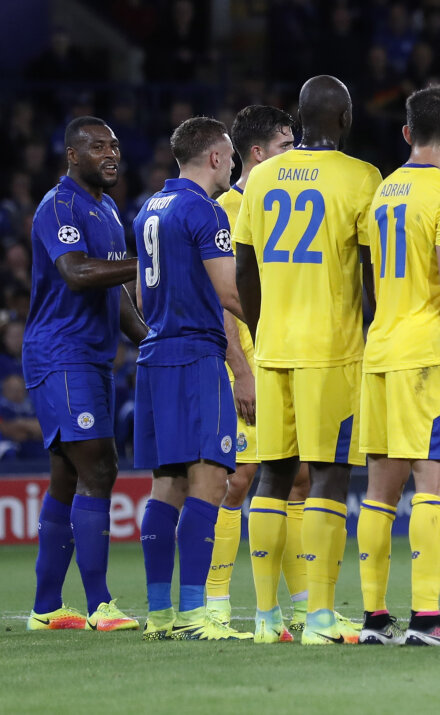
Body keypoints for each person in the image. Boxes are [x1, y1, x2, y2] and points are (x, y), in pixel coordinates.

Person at [235, 75, 382, 645]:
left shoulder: (262, 176)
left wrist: (261, 330)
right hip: (331, 351)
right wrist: (375, 330)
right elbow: (370, 272)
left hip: (274, 348)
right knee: (328, 475)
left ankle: (266, 617)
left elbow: (244, 268)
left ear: (298, 120)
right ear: (344, 118)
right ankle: (320, 616)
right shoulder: (361, 177)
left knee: (271, 475)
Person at [355, 85, 440, 647]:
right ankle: (427, 620)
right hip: (428, 356)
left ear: (407, 132)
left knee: (379, 492)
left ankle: (374, 620)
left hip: (381, 350)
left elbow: (368, 275)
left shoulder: (382, 192)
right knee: (436, 479)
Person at [24, 116, 145, 633]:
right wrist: (148, 261)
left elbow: (113, 294)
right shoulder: (59, 206)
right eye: (97, 147)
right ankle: (100, 606)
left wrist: (149, 338)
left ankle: (46, 607)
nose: (111, 153)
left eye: (114, 145)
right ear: (73, 155)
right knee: (100, 466)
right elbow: (76, 272)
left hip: (90, 357)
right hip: (61, 354)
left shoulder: (109, 210)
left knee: (69, 474)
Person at [132, 117, 249, 641]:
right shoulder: (206, 210)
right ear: (216, 157)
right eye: (230, 156)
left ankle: (160, 616)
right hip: (197, 357)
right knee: (210, 480)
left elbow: (141, 297)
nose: (232, 165)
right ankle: (197, 616)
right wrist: (275, 322)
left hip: (155, 356)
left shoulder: (148, 209)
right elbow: (229, 292)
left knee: (168, 484)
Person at [205, 105, 312, 638]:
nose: (294, 154)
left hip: (286, 357)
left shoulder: (283, 203)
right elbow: (223, 298)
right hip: (245, 362)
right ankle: (215, 603)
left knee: (299, 478)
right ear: (257, 152)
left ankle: (304, 607)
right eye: (286, 146)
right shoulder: (225, 207)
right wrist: (241, 369)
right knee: (239, 479)